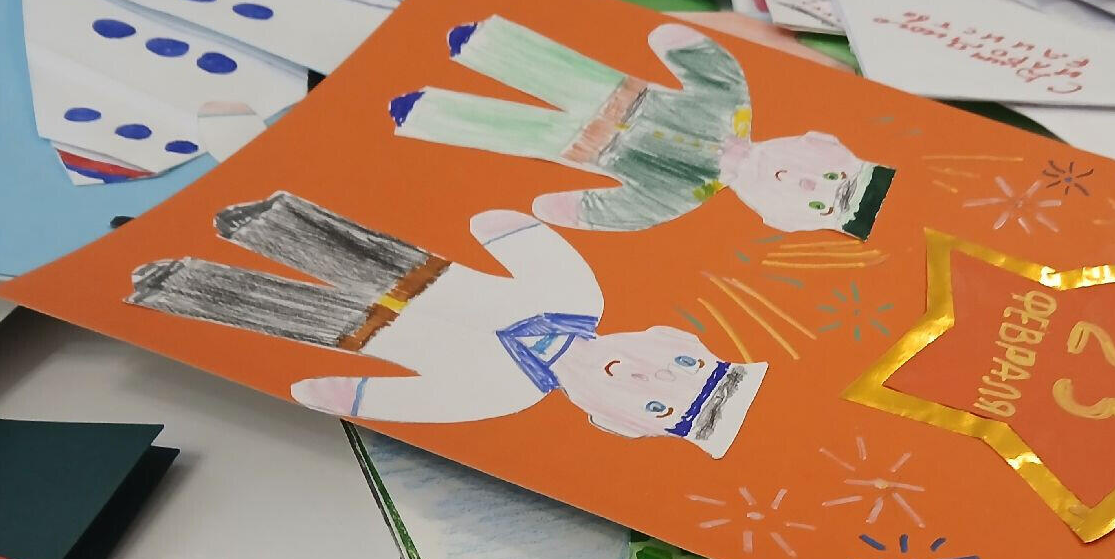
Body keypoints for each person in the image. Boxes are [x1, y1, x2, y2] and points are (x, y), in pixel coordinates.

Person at [126, 191, 764, 456]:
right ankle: (265, 222)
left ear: (611, 424)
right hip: (416, 273)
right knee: (342, 247)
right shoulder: (578, 296)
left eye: (657, 406)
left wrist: (352, 396)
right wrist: (514, 231)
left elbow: (411, 401)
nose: (644, 375)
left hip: (361, 330)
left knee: (270, 306)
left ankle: (178, 284)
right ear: (670, 337)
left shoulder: (502, 396)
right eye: (684, 366)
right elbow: (508, 232)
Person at [388, 17, 894, 238]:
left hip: (584, 147)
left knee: (513, 131)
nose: (806, 184)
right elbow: (708, 65)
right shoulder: (733, 107)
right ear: (819, 141)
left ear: (777, 222)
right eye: (831, 178)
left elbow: (624, 211)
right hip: (618, 91)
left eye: (818, 206)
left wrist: (579, 210)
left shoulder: (681, 196)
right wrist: (682, 46)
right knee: (561, 71)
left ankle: (424, 113)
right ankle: (484, 44)